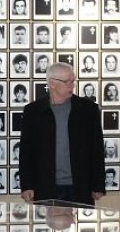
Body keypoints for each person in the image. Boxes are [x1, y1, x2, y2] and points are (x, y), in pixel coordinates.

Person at [19, 62, 105, 205]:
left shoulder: (88, 110)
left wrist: (98, 185)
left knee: (80, 220)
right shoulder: (33, 111)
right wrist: (27, 185)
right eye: (67, 82)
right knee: (44, 221)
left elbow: (97, 149)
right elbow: (26, 152)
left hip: (80, 186)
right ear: (52, 83)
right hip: (44, 186)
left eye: (73, 81)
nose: (72, 86)